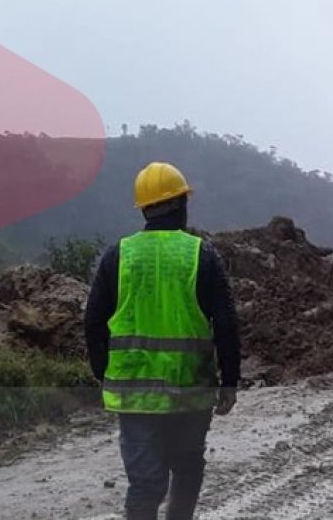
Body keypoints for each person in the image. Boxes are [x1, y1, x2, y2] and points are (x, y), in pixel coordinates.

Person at [85, 161, 240, 520]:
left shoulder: (118, 256)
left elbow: (93, 321)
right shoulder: (202, 255)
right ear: (182, 203)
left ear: (144, 209)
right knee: (186, 468)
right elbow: (227, 323)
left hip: (133, 393)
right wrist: (230, 380)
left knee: (144, 485)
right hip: (190, 391)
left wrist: (102, 371)